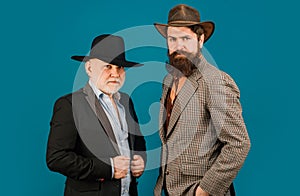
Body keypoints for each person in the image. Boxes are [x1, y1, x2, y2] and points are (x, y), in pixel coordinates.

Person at [153, 4, 251, 196]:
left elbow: (239, 144)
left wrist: (203, 191)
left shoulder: (216, 81)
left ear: (200, 40)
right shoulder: (168, 81)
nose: (178, 46)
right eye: (172, 39)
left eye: (185, 39)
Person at [46, 34, 146, 196]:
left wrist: (140, 160)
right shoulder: (69, 105)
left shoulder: (126, 102)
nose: (115, 73)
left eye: (119, 67)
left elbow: (139, 142)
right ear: (89, 68)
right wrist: (109, 168)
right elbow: (56, 158)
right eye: (108, 66)